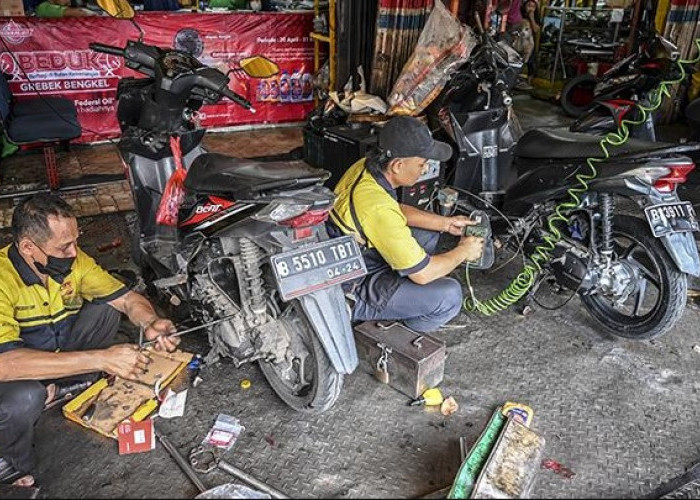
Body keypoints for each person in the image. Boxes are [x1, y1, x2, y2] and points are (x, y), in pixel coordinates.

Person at [0, 194, 180, 487]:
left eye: (75, 241)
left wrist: (150, 322)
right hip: (15, 374)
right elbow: (5, 365)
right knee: (23, 398)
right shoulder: (2, 279)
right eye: (63, 247)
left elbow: (126, 299)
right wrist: (102, 358)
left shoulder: (75, 261)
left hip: (61, 353)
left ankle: (63, 386)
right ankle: (9, 463)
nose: (74, 252)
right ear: (28, 248)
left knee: (105, 307)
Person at [328, 116, 485, 333]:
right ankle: (398, 328)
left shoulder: (365, 168)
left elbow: (395, 210)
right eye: (421, 164)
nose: (424, 169)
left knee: (429, 232)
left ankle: (405, 294)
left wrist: (446, 224)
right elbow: (424, 274)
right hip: (357, 288)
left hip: (357, 258)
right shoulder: (376, 208)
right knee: (449, 296)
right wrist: (463, 251)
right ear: (398, 165)